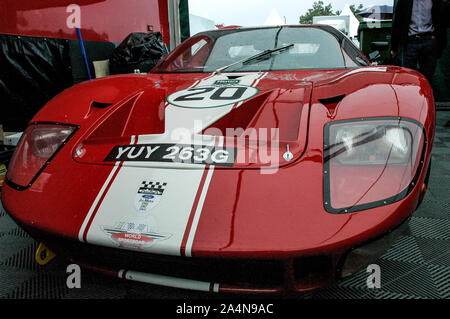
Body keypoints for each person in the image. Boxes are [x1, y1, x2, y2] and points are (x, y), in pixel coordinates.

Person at [390, 0, 447, 83]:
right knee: (408, 79)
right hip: (410, 42)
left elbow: (442, 20)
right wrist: (394, 47)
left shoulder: (435, 2)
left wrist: (435, 37)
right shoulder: (405, 2)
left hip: (429, 40)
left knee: (427, 80)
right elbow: (398, 21)